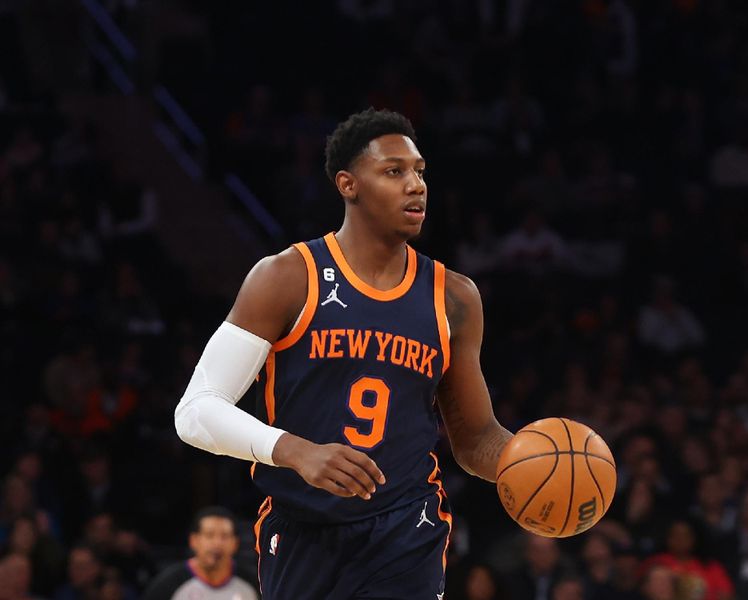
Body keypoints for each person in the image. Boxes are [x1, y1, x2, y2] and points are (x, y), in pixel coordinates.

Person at [174, 107, 512, 598]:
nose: (415, 185)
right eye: (394, 172)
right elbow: (196, 410)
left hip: (406, 529)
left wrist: (532, 462)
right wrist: (295, 451)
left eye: (419, 172)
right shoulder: (287, 277)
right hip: (301, 531)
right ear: (348, 184)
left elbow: (476, 437)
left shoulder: (454, 297)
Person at [141, 506, 258, 599]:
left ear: (235, 543)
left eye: (225, 536)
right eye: (209, 535)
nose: (217, 543)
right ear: (194, 540)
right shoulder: (167, 585)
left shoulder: (254, 584)